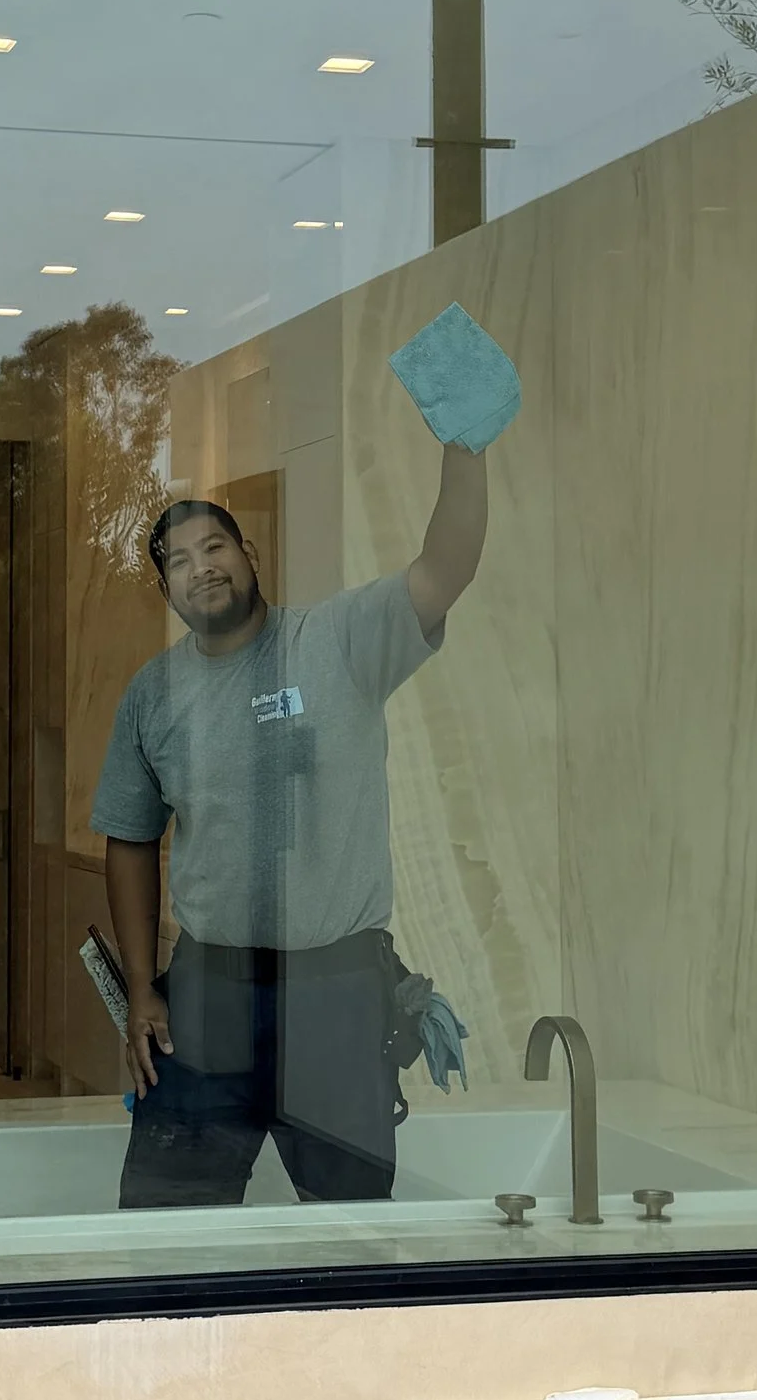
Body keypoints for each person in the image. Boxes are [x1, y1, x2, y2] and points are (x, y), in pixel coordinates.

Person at [90, 435, 497, 1206]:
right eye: (177, 560)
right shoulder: (153, 695)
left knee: (350, 1232)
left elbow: (448, 567)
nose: (200, 566)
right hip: (208, 994)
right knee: (166, 1227)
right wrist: (143, 989)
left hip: (334, 991)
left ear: (249, 550)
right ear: (166, 590)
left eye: (213, 545)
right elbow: (130, 838)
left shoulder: (340, 641)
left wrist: (464, 446)